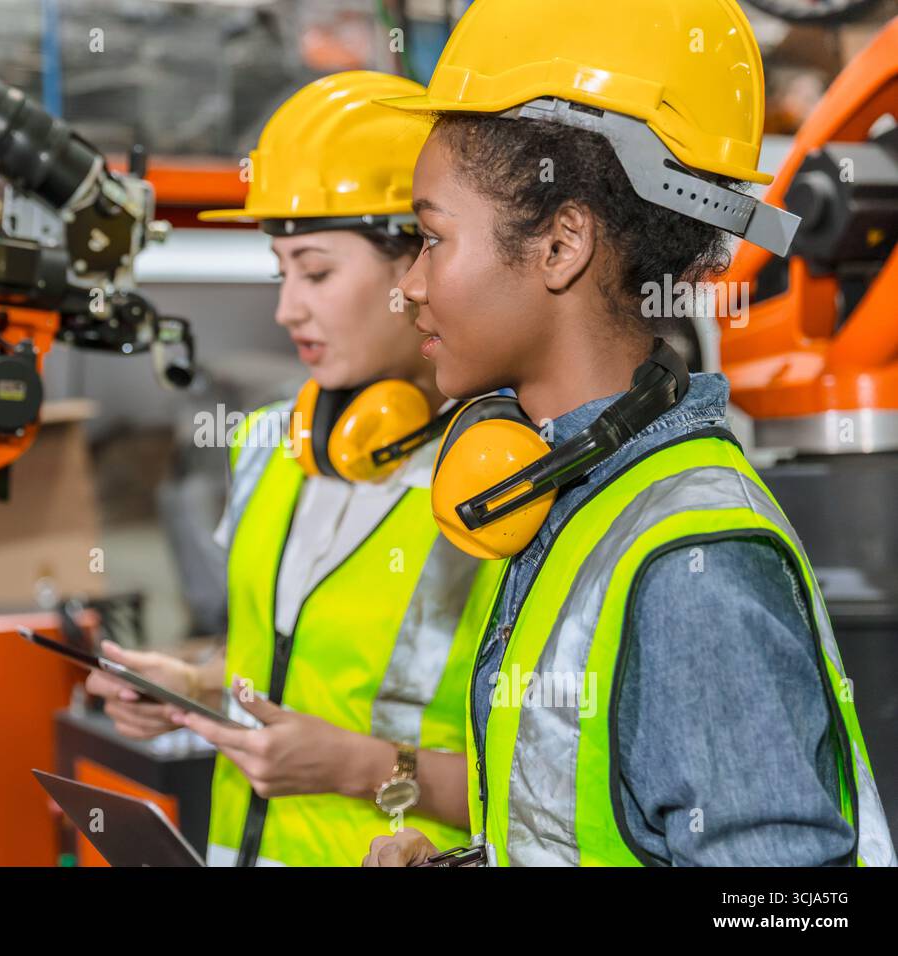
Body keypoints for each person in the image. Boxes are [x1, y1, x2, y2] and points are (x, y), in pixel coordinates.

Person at [363, 0, 894, 867]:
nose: (413, 283)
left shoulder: (693, 568)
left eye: (430, 238)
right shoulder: (572, 494)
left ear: (562, 244)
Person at [85, 71, 501, 867]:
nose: (286, 308)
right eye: (281, 271)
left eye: (315, 271)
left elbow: (554, 794)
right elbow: (276, 656)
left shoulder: (500, 483)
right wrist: (196, 686)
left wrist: (363, 769)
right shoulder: (271, 442)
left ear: (418, 263)